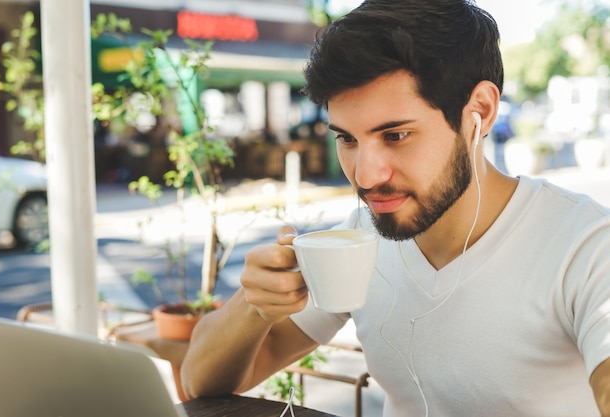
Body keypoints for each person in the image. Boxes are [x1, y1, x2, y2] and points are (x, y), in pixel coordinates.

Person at [181, 1, 610, 415]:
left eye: (396, 136)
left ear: (478, 111)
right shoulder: (358, 239)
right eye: (347, 138)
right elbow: (201, 383)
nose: (366, 177)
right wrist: (255, 305)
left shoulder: (585, 246)